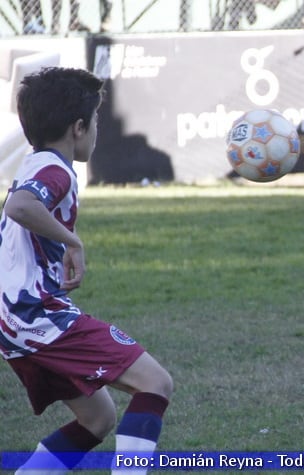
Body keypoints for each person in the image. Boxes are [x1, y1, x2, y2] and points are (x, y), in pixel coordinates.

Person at [0, 67, 173, 474]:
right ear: (78, 127)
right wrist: (73, 242)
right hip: (37, 317)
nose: (97, 130)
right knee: (156, 383)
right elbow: (20, 207)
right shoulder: (55, 170)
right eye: (95, 121)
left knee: (98, 419)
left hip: (15, 319)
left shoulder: (32, 164)